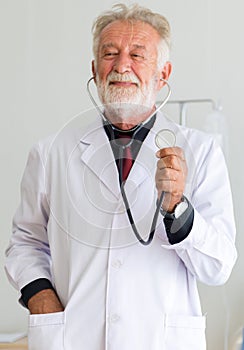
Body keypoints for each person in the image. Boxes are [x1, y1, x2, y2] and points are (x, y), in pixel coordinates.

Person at [5, 3, 237, 350]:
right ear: (95, 69)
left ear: (163, 74)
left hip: (160, 340)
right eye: (109, 53)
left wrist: (177, 208)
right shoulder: (50, 151)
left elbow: (218, 267)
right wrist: (40, 298)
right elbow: (25, 242)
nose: (121, 65)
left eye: (137, 55)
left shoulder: (201, 152)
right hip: (74, 338)